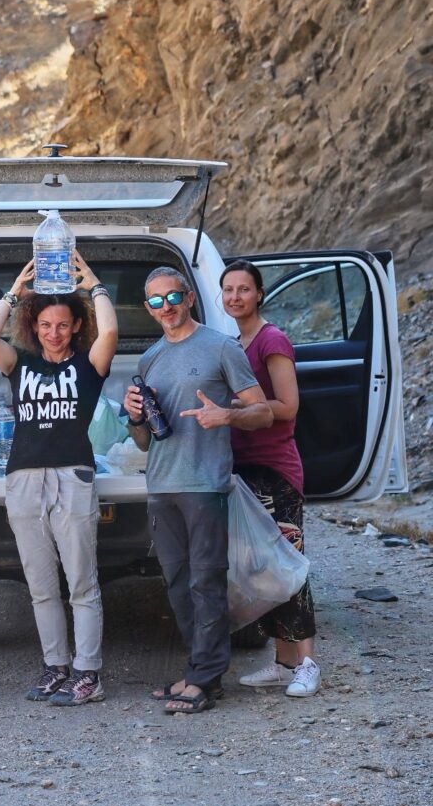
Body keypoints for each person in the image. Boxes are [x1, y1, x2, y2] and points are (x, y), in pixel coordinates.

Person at [123, 266, 273, 714]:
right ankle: (198, 671)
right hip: (161, 485)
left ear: (188, 297)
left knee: (207, 583)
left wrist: (227, 416)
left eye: (172, 297)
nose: (165, 307)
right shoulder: (149, 360)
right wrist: (133, 417)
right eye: (155, 301)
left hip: (205, 483)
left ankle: (205, 678)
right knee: (178, 584)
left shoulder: (220, 347)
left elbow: (263, 411)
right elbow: (145, 441)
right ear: (148, 308)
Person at [0, 250, 118, 706]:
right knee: (40, 585)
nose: (53, 332)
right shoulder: (20, 364)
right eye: (45, 325)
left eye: (62, 324)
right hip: (24, 479)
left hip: (72, 476)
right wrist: (15, 294)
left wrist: (93, 284)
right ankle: (56, 667)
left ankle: (88, 674)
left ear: (76, 325)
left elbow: (111, 329)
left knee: (81, 582)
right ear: (33, 328)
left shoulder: (88, 366)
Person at [220, 260, 321, 697]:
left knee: (288, 566)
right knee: (262, 571)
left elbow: (288, 405)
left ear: (259, 294)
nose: (235, 297)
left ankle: (308, 664)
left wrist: (234, 411)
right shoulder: (230, 344)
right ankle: (282, 663)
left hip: (275, 467)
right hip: (242, 468)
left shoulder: (271, 340)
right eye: (228, 290)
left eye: (244, 289)